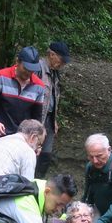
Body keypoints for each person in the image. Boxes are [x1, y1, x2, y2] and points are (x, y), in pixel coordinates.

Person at [0, 46, 45, 142]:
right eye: (26, 68)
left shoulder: (39, 86)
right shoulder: (0, 76)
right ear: (17, 62)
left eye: (32, 70)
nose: (28, 72)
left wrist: (37, 141)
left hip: (22, 138)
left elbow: (37, 116)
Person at [35, 41, 70, 178]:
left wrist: (54, 119)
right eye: (61, 60)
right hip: (36, 119)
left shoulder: (55, 73)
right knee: (32, 151)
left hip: (48, 119)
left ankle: (38, 181)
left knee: (46, 155)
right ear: (51, 54)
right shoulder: (38, 68)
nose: (63, 64)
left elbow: (53, 97)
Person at [82, 134, 112, 223]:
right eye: (91, 157)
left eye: (99, 156)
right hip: (100, 211)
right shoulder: (90, 167)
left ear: (109, 150)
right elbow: (87, 196)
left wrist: (100, 222)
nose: (95, 161)